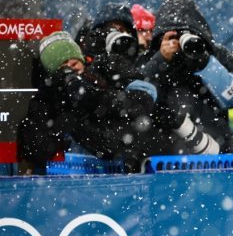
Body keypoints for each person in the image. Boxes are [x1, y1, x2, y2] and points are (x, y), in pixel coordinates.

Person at [17, 31, 162, 173]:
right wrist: (62, 104)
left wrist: (91, 96)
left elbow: (145, 97)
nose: (71, 71)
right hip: (77, 178)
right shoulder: (48, 98)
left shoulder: (107, 66)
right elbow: (35, 150)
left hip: (125, 167)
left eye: (74, 63)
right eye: (63, 68)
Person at [140, 0, 233, 154]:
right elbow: (135, 97)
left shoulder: (214, 55)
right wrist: (160, 60)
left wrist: (204, 63)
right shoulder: (151, 57)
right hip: (165, 153)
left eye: (187, 35)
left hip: (215, 152)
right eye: (174, 37)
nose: (181, 43)